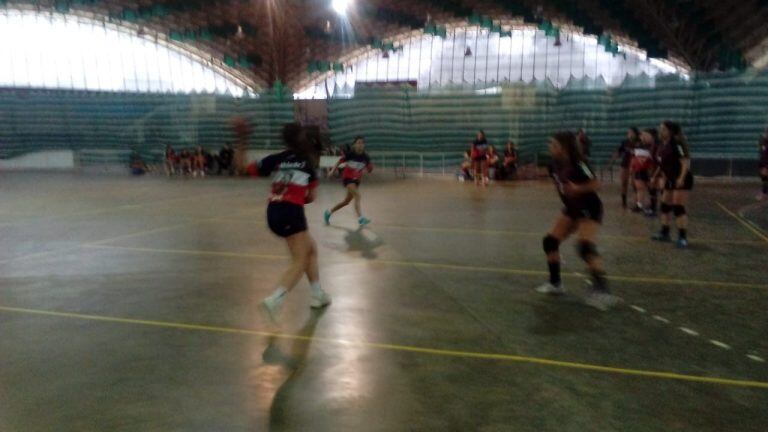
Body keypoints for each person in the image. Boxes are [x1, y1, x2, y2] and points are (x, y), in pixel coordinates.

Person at [535, 131, 620, 311]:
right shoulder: (554, 164)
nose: (550, 148)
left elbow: (596, 184)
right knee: (550, 242)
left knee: (585, 247)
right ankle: (555, 284)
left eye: (553, 145)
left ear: (563, 147)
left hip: (589, 208)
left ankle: (603, 292)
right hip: (572, 209)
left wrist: (578, 188)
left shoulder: (579, 163)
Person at [259, 123, 332, 323]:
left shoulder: (278, 158)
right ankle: (275, 299)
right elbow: (311, 197)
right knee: (300, 259)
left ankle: (318, 294)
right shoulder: (308, 163)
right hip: (291, 212)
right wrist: (300, 196)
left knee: (311, 249)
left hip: (272, 210)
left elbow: (248, 168)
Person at [651, 121, 694, 248]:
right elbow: (661, 163)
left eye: (663, 129)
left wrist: (681, 178)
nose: (660, 131)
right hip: (669, 179)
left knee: (678, 207)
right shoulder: (662, 145)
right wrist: (655, 176)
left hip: (681, 179)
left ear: (670, 131)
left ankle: (682, 237)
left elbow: (685, 161)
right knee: (664, 206)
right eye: (660, 129)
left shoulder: (677, 143)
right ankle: (665, 233)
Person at [324, 136, 374, 226]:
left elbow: (369, 169)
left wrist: (370, 168)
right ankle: (360, 218)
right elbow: (339, 162)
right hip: (347, 179)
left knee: (346, 202)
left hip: (356, 181)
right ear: (354, 145)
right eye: (358, 143)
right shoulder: (350, 154)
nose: (360, 145)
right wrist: (332, 171)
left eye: (362, 143)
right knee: (357, 196)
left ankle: (328, 212)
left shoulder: (365, 157)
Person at [611, 127, 640, 209]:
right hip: (625, 164)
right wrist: (613, 159)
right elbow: (619, 151)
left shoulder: (639, 142)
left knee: (634, 184)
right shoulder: (625, 142)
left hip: (635, 165)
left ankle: (637, 203)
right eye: (628, 133)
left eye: (631, 133)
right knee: (624, 183)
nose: (629, 134)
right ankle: (624, 203)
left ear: (635, 134)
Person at [630, 132, 655, 214]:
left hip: (647, 168)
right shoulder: (637, 145)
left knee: (650, 188)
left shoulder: (652, 146)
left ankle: (652, 205)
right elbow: (634, 158)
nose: (642, 137)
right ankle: (640, 205)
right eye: (641, 135)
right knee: (640, 188)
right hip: (640, 169)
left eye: (644, 135)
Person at [758, 128, 768, 201]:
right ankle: (764, 192)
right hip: (763, 161)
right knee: (764, 178)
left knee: (765, 177)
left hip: (766, 162)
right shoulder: (762, 141)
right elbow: (762, 152)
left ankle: (764, 193)